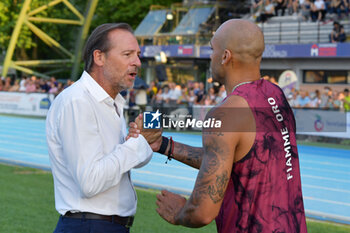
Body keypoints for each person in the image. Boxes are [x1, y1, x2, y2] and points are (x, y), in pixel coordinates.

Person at [130, 19, 307, 232]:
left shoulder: (226, 114)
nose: (210, 56)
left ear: (225, 56)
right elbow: (229, 159)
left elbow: (202, 212)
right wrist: (164, 145)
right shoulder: (276, 95)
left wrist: (180, 212)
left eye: (212, 49)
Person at [46, 23, 161, 233]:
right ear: (99, 57)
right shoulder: (78, 102)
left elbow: (125, 162)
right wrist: (137, 143)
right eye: (127, 54)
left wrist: (144, 142)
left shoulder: (113, 102)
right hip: (90, 225)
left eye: (137, 54)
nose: (137, 62)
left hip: (101, 225)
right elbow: (90, 182)